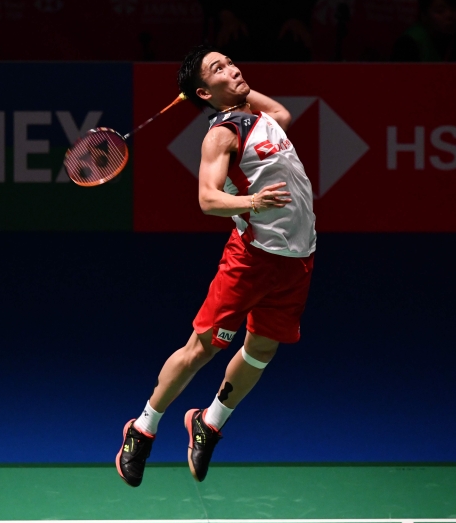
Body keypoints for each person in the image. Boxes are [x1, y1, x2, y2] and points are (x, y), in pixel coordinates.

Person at [116, 45, 316, 486]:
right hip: (252, 259)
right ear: (203, 92)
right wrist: (252, 201)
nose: (234, 68)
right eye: (218, 69)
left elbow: (281, 113)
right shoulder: (221, 134)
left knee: (261, 351)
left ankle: (209, 422)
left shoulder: (260, 121)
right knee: (201, 349)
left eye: (231, 61)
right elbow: (207, 199)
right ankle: (144, 428)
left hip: (297, 260)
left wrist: (236, 90)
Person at [391, 0, 456, 63]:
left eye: (455, 9)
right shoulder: (409, 42)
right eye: (440, 11)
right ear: (424, 16)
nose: (450, 15)